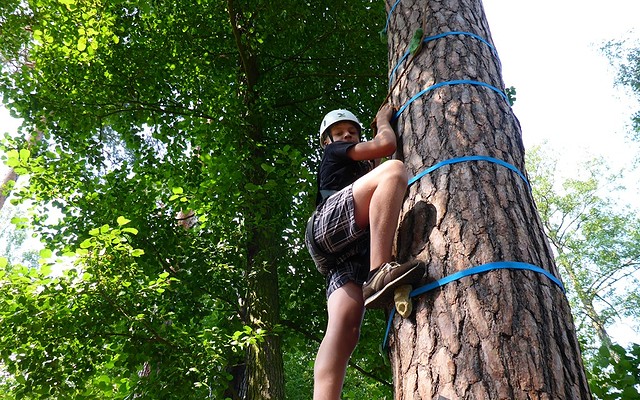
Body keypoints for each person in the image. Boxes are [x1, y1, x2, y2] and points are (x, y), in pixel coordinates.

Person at [305, 104, 424, 399]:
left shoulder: (362, 170)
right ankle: (378, 271)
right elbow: (386, 146)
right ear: (327, 141)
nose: (346, 135)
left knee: (345, 329)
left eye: (352, 131)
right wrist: (383, 121)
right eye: (338, 133)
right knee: (395, 170)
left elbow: (377, 166)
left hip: (350, 247)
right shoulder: (334, 153)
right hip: (327, 225)